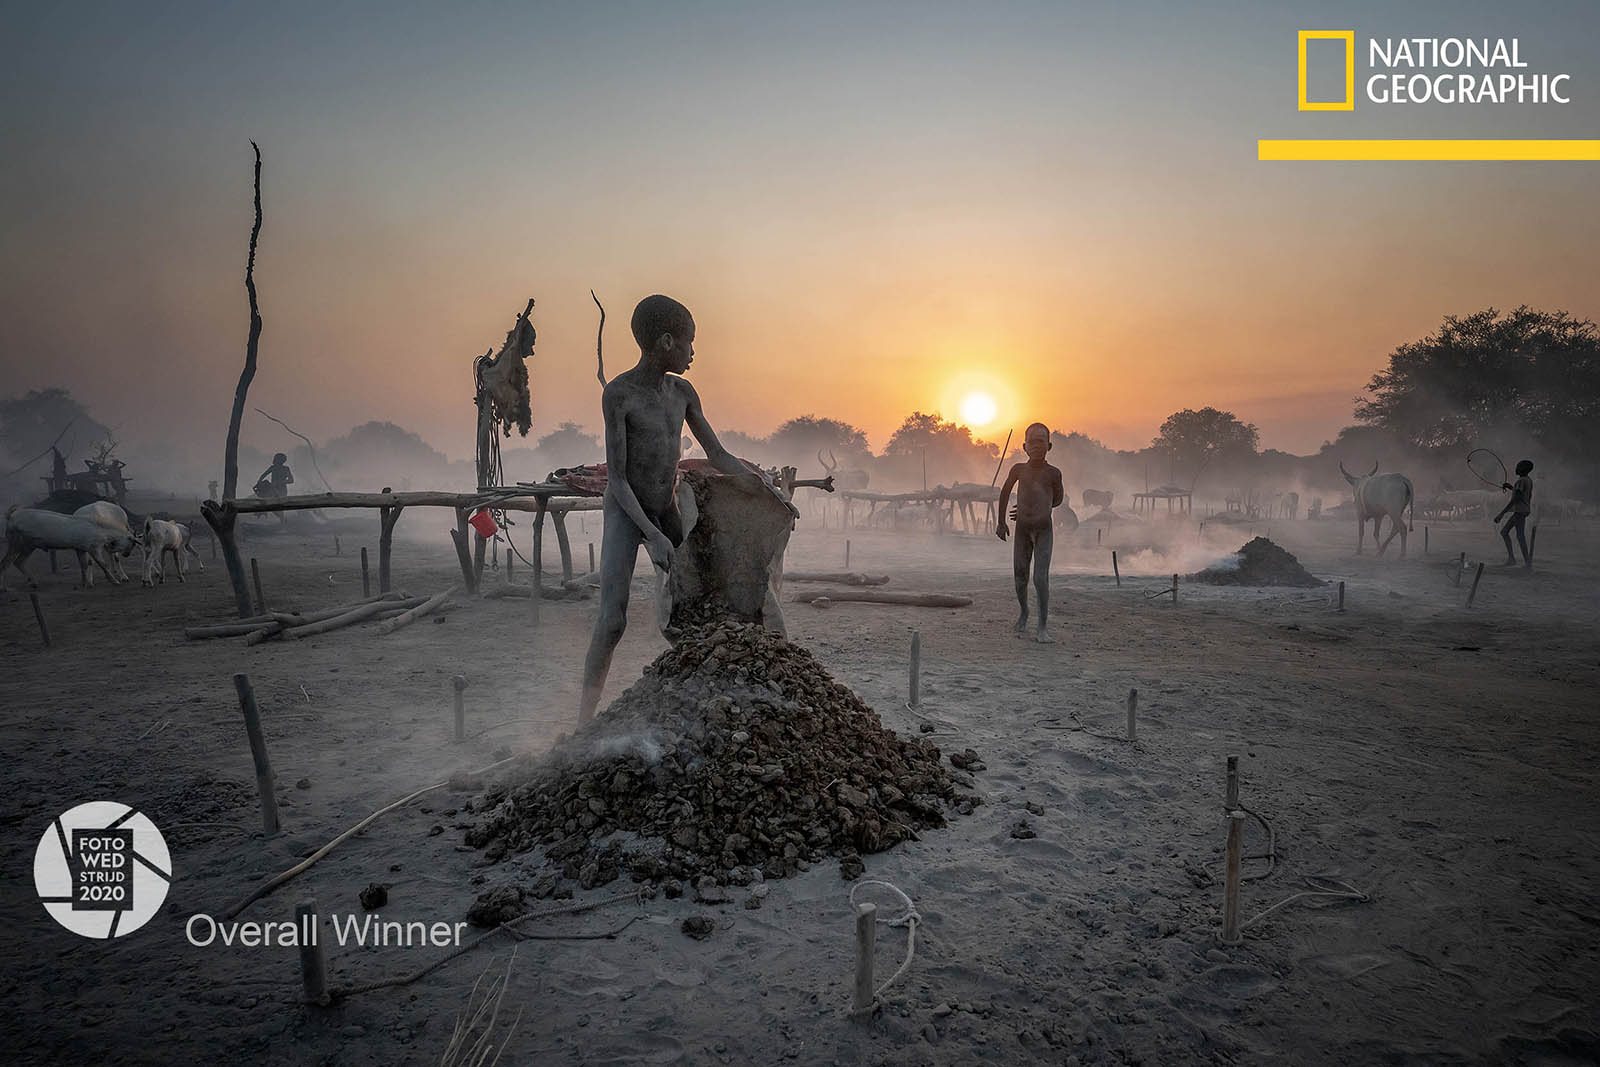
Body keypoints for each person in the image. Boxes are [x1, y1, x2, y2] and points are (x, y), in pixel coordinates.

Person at [580, 295, 794, 722]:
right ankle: (584, 719)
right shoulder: (620, 395)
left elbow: (717, 454)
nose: (693, 352)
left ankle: (701, 701)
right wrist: (653, 536)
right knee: (612, 621)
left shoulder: (682, 393)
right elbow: (619, 480)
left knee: (702, 599)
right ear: (665, 342)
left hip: (665, 507)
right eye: (688, 343)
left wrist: (762, 487)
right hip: (626, 512)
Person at [996, 423, 1064, 642]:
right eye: (1032, 442)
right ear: (1024, 446)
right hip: (1022, 530)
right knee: (1020, 577)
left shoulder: (1053, 473)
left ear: (1049, 446)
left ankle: (1042, 626)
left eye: (1041, 442)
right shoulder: (1018, 470)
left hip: (1044, 530)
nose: (1036, 446)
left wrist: (1038, 508)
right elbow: (1005, 492)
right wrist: (1001, 522)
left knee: (1040, 578)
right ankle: (1024, 612)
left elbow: (1058, 499)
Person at [1494, 459, 1534, 567]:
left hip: (1519, 511)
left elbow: (1515, 499)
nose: (1516, 468)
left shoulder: (1521, 481)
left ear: (1523, 469)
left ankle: (1526, 562)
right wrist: (1511, 487)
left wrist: (1501, 514)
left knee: (1520, 536)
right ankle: (1514, 559)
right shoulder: (1527, 480)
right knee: (1505, 532)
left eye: (1519, 467)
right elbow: (1519, 493)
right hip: (1522, 510)